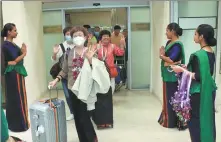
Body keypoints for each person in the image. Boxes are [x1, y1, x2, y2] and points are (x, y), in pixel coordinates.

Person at [49, 26, 98, 142]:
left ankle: (91, 139)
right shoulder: (68, 53)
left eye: (80, 35)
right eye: (75, 36)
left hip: (87, 90)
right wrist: (56, 80)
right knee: (77, 117)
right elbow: (65, 70)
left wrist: (91, 60)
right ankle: (82, 139)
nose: (77, 38)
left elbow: (97, 70)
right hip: (73, 89)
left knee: (86, 116)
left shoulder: (90, 51)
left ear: (85, 37)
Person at [171, 24, 217, 142]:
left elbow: (199, 76)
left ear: (201, 37)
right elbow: (206, 73)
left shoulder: (198, 55)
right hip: (209, 89)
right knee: (207, 118)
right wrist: (187, 68)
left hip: (198, 93)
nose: (194, 36)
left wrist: (181, 70)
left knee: (196, 122)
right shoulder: (211, 52)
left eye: (196, 34)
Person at [91, 30, 125, 129]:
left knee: (110, 94)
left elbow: (121, 53)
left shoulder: (113, 46)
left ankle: (107, 119)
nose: (106, 38)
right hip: (99, 74)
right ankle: (100, 119)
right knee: (100, 96)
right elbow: (90, 56)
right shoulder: (96, 46)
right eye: (104, 36)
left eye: (107, 36)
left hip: (110, 73)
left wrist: (122, 45)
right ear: (100, 38)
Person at [1, 23, 29, 132]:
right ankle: (17, 125)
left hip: (17, 72)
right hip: (13, 74)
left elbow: (16, 59)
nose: (16, 32)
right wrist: (24, 54)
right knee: (15, 98)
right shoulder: (5, 45)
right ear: (9, 32)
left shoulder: (12, 45)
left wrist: (22, 51)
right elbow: (14, 60)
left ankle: (23, 122)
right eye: (14, 30)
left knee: (20, 97)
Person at [158, 23, 186, 130]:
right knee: (167, 97)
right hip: (167, 75)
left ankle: (172, 122)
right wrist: (163, 56)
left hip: (173, 77)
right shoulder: (169, 42)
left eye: (167, 30)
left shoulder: (177, 45)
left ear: (173, 31)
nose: (166, 33)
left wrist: (162, 56)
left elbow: (170, 60)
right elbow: (167, 59)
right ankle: (168, 119)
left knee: (172, 98)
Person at [51, 26, 75, 121]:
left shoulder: (78, 45)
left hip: (77, 75)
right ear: (64, 35)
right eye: (67, 34)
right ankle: (72, 112)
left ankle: (81, 112)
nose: (69, 36)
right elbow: (54, 60)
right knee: (68, 95)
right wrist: (54, 53)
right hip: (65, 75)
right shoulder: (61, 46)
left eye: (71, 34)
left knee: (78, 95)